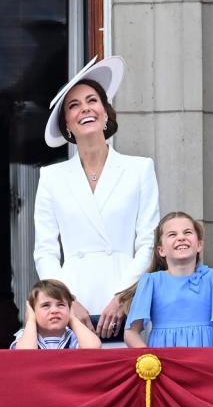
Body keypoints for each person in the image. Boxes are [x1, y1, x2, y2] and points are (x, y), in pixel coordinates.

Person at [34, 56, 160, 342]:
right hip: (73, 300)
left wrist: (122, 296)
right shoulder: (51, 178)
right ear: (67, 123)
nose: (85, 109)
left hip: (128, 300)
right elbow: (45, 251)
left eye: (92, 101)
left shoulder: (139, 169)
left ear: (106, 113)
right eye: (74, 105)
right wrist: (66, 301)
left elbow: (147, 242)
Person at [123, 212, 213, 348]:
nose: (181, 237)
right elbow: (130, 333)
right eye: (172, 234)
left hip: (205, 361)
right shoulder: (151, 282)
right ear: (161, 250)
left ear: (199, 244)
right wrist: (150, 360)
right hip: (163, 362)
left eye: (187, 232)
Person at [10, 280, 102, 349]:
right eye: (46, 305)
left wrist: (72, 319)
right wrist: (31, 320)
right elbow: (25, 354)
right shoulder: (26, 335)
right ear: (33, 311)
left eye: (61, 305)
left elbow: (93, 348)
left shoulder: (74, 336)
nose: (54, 310)